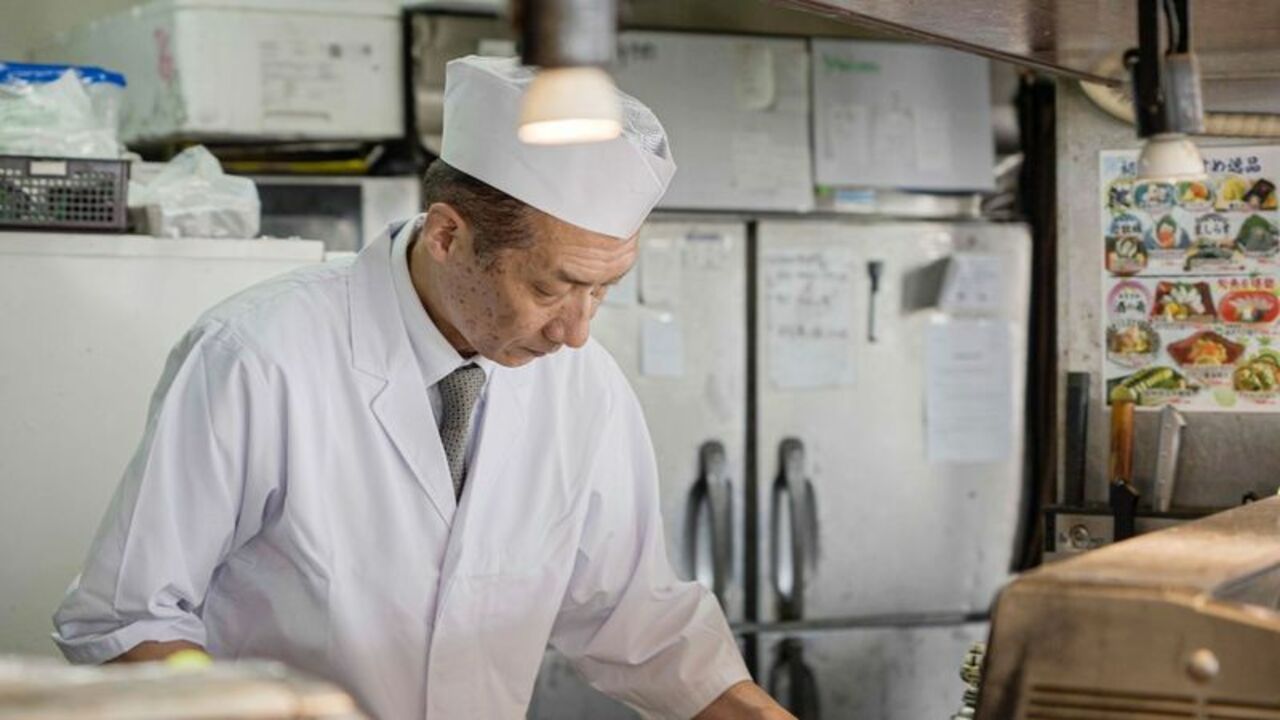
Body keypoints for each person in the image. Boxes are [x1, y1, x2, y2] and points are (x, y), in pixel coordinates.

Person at [52, 56, 794, 720]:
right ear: (448, 237)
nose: (576, 332)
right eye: (552, 287)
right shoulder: (259, 356)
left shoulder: (585, 388)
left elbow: (638, 618)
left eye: (602, 292)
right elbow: (125, 621)